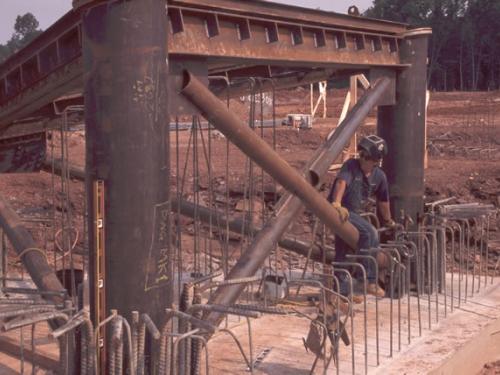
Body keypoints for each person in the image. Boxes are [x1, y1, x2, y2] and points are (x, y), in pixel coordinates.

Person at [327, 135, 396, 298]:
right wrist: (336, 204)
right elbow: (341, 183)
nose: (362, 159)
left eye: (367, 157)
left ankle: (345, 291)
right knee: (369, 232)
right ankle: (367, 280)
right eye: (362, 155)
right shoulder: (351, 166)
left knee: (344, 248)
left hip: (354, 213)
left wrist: (389, 221)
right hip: (342, 210)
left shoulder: (379, 177)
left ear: (376, 161)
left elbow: (383, 202)